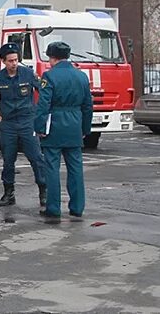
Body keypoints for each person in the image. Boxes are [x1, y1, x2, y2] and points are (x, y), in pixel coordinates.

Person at [34, 41, 93, 219]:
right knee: (75, 168)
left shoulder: (49, 76)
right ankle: (77, 207)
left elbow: (43, 104)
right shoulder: (81, 76)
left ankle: (53, 208)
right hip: (75, 125)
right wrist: (85, 128)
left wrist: (40, 127)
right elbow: (87, 106)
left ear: (52, 57)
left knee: (52, 168)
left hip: (55, 125)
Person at [0, 42, 47, 207]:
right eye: (10, 61)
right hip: (8, 123)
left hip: (27, 121)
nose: (14, 64)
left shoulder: (28, 74)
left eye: (16, 60)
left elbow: (43, 91)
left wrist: (40, 112)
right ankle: (8, 193)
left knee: (36, 157)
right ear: (3, 61)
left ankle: (43, 191)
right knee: (8, 160)